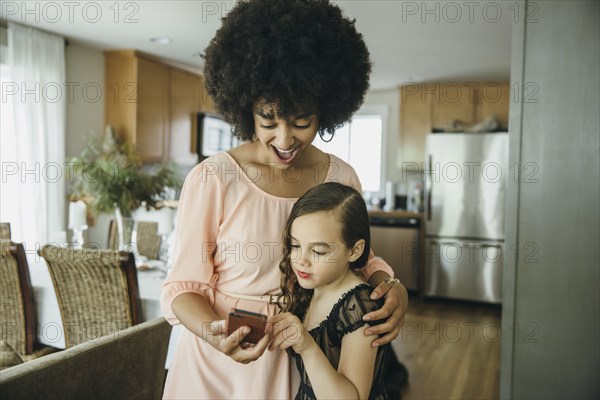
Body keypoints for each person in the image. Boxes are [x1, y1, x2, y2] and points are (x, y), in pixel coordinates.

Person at [160, 0, 408, 398]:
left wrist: (391, 286)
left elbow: (359, 259)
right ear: (245, 108)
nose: (285, 138)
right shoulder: (215, 178)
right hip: (216, 365)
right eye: (268, 120)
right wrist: (214, 335)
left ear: (325, 110)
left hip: (302, 354)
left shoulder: (340, 177)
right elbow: (183, 287)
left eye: (301, 121)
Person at [270, 182, 391, 400]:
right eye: (295, 246)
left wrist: (306, 346)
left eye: (318, 251)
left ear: (354, 250)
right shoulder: (309, 288)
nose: (300, 260)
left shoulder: (360, 308)